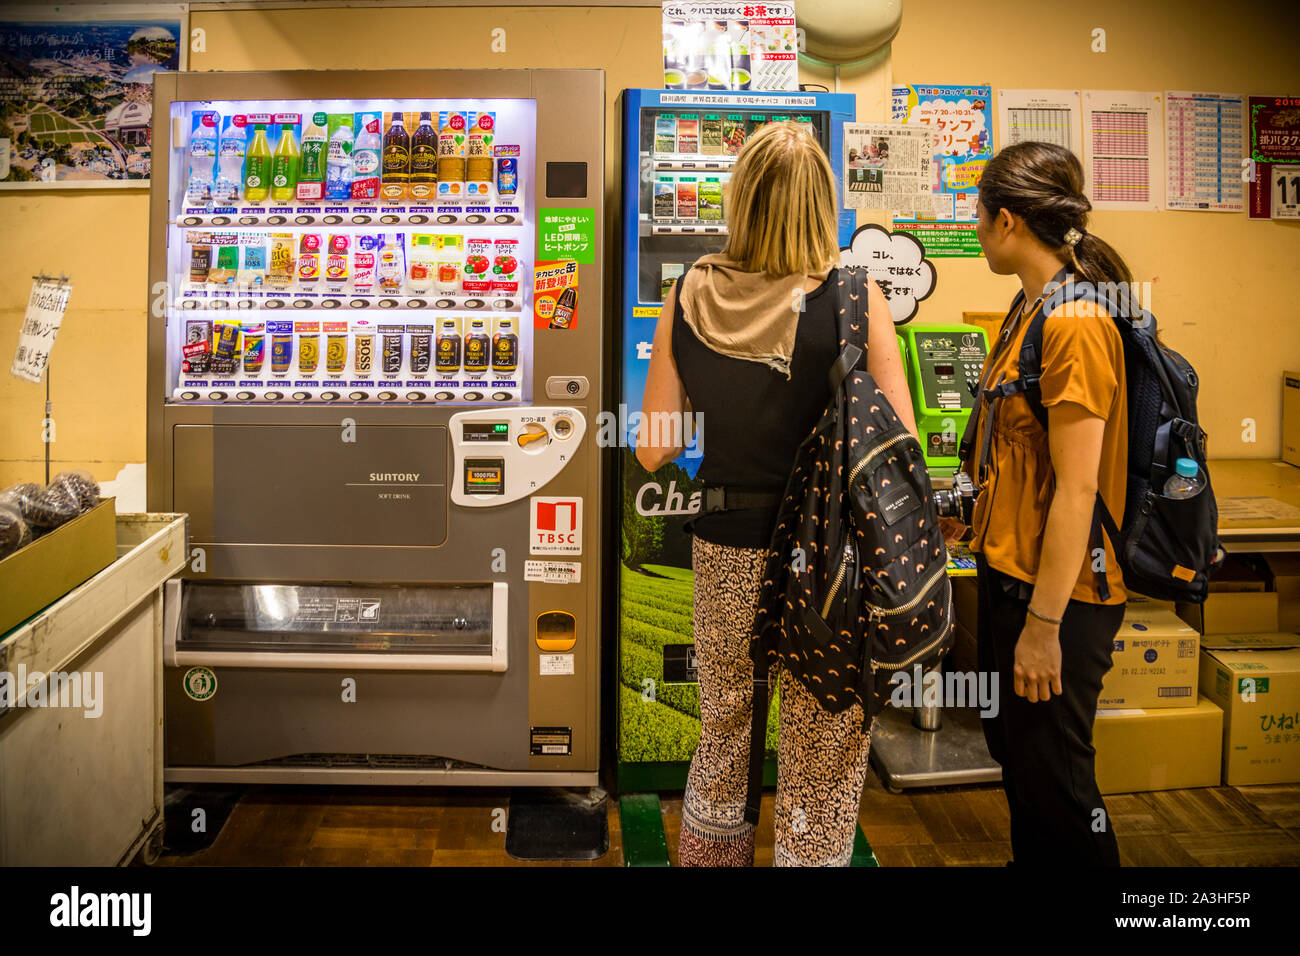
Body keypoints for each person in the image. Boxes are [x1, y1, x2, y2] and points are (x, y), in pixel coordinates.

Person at [636, 121, 916, 866]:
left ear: (742, 198)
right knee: (822, 745)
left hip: (727, 548)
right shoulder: (859, 296)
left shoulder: (689, 290)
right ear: (821, 201)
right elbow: (901, 445)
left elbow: (653, 443)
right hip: (830, 559)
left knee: (725, 729)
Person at [960, 140, 1133, 866]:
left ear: (1007, 222)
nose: (973, 229)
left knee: (1059, 784)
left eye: (977, 216)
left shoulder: (1075, 324)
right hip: (1013, 574)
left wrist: (1042, 628)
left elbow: (1079, 488)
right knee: (1021, 764)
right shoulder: (1027, 309)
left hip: (1064, 592)